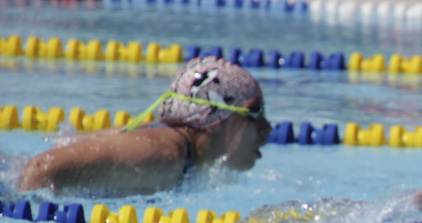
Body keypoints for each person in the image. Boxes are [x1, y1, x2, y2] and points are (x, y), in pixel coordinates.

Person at [19, 56, 271, 196]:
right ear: (214, 117)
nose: (267, 129)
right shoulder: (164, 153)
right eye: (254, 112)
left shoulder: (179, 150)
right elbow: (42, 168)